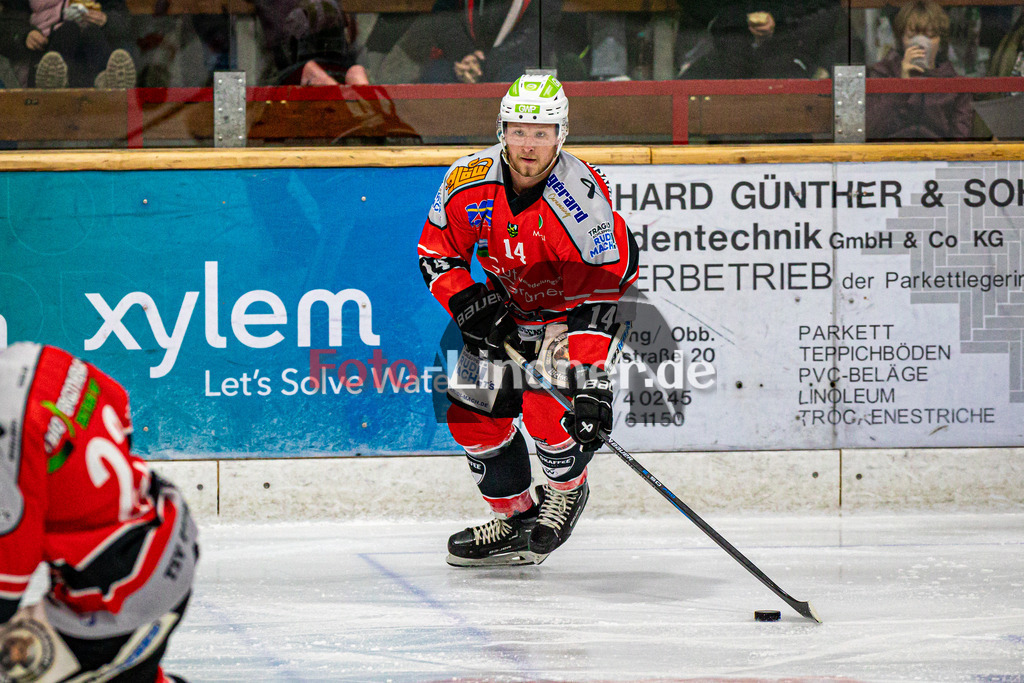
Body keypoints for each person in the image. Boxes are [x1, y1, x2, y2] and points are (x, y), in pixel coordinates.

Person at [417, 74, 640, 567]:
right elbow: (437, 252)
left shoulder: (581, 200)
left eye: (542, 133)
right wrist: (469, 303)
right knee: (470, 415)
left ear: (562, 134)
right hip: (506, 312)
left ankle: (566, 490)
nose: (529, 144)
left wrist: (590, 380)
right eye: (519, 130)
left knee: (550, 410)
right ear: (502, 130)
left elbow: (601, 294)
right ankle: (517, 519)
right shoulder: (467, 181)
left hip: (569, 316)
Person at [0, 342, 197, 682]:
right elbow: (118, 401)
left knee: (14, 665)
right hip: (168, 526)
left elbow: (8, 583)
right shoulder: (33, 358)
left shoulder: (7, 435)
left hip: (121, 593)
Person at [866, 0, 973, 141]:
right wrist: (900, 85)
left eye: (930, 36)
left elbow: (961, 139)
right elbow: (870, 129)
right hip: (891, 156)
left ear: (940, 42)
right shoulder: (883, 73)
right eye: (912, 36)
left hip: (937, 157)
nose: (922, 44)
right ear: (901, 39)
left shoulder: (954, 83)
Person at [0, 0, 135, 88]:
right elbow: (7, 23)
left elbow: (124, 23)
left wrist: (107, 20)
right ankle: (52, 80)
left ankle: (109, 82)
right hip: (46, 47)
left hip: (93, 47)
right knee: (69, 31)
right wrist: (25, 35)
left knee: (90, 32)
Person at [421, 0, 562, 84]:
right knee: (436, 77)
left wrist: (482, 63)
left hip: (516, 63)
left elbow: (536, 36)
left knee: (521, 82)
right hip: (465, 60)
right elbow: (443, 16)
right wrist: (465, 54)